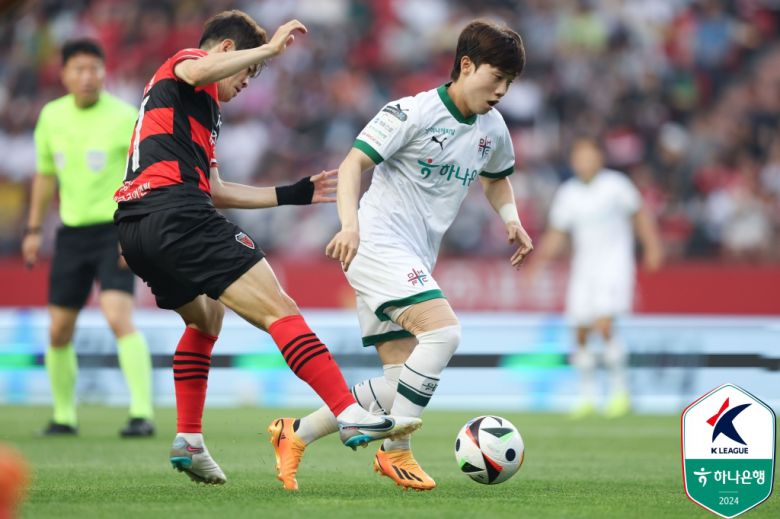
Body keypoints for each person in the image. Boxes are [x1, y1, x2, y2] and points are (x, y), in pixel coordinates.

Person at [112, 10, 421, 486]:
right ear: (226, 51)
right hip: (176, 213)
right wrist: (271, 49)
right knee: (280, 308)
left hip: (137, 227)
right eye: (248, 71)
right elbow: (197, 69)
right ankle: (348, 412)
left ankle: (189, 440)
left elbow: (215, 189)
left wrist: (291, 193)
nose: (246, 83)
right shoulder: (186, 64)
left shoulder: (198, 110)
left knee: (206, 318)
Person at [269, 20, 533, 491]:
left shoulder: (492, 128)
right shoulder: (412, 112)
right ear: (466, 65)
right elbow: (353, 164)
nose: (502, 91)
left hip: (413, 256)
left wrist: (511, 218)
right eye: (496, 78)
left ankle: (296, 433)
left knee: (399, 382)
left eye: (509, 83)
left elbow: (496, 179)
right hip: (375, 243)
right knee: (444, 332)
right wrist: (349, 225)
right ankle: (396, 451)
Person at [22, 39, 155, 438]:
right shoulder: (51, 117)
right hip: (71, 235)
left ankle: (141, 413)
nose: (87, 76)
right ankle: (63, 415)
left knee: (117, 316)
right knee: (58, 330)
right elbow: (45, 174)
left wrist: (133, 231)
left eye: (94, 69)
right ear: (64, 74)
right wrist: (33, 230)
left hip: (114, 230)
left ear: (103, 72)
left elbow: (141, 177)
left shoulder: (124, 116)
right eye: (79, 69)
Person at [529, 137, 663, 418]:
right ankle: (587, 396)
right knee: (579, 331)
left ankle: (620, 393)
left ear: (599, 158)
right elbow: (557, 233)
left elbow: (640, 215)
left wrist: (652, 246)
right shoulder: (569, 193)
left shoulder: (616, 186)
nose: (584, 162)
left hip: (614, 267)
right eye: (579, 157)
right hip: (583, 270)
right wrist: (537, 264)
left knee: (604, 326)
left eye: (588, 156)